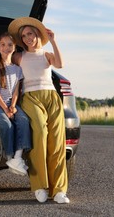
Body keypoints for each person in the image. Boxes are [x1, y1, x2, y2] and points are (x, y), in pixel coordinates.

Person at [8, 17, 70, 204]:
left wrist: (53, 40)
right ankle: (39, 186)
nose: (27, 38)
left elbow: (60, 65)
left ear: (37, 36)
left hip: (51, 97)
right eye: (24, 35)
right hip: (31, 97)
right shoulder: (19, 57)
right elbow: (5, 63)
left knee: (57, 142)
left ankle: (59, 190)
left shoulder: (46, 54)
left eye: (31, 34)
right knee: (40, 135)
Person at [0, 32, 31, 176]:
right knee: (6, 124)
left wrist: (13, 106)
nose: (6, 48)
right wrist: (5, 109)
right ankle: (9, 156)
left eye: (9, 45)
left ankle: (18, 157)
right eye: (3, 45)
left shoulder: (18, 69)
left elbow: (16, 91)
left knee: (23, 120)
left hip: (11, 104)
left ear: (14, 48)